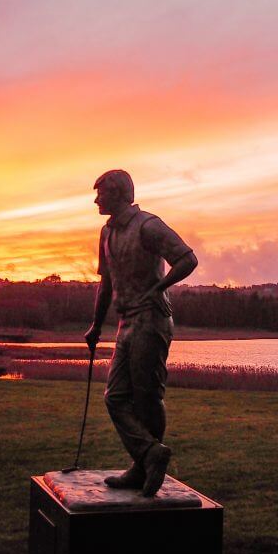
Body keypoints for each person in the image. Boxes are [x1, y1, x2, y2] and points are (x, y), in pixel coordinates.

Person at [85, 170, 198, 496]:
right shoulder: (106, 233)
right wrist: (96, 325)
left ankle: (145, 462)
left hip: (151, 319)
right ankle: (149, 455)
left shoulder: (148, 225)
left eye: (101, 194)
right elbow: (106, 283)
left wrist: (158, 289)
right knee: (116, 397)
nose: (96, 200)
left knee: (148, 397)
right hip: (126, 322)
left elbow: (187, 259)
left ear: (119, 194)